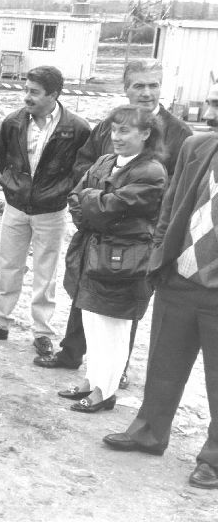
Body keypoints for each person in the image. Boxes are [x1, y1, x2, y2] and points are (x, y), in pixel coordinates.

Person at [35, 59, 192, 376]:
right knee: (85, 289)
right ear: (125, 87)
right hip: (96, 228)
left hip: (138, 235)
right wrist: (96, 205)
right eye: (139, 85)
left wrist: (139, 214)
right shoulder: (110, 125)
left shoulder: (180, 133)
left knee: (123, 302)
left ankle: (114, 370)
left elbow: (179, 187)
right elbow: (84, 166)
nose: (146, 93)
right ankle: (71, 354)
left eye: (153, 85)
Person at [103, 85, 218, 489]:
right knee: (164, 365)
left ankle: (214, 460)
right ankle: (149, 432)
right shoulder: (199, 147)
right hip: (179, 279)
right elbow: (171, 205)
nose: (214, 110)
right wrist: (160, 256)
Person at [0, 66, 91, 357]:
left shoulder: (77, 128)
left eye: (34, 92)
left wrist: (59, 192)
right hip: (15, 207)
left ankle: (42, 333)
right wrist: (14, 187)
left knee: (45, 271)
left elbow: (81, 169)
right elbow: (3, 160)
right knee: (8, 265)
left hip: (51, 211)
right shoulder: (13, 122)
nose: (27, 96)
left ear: (53, 94)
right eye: (26, 90)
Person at [59, 105, 166, 412]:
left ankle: (105, 392)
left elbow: (107, 208)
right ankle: (92, 381)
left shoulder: (151, 172)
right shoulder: (106, 161)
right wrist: (95, 204)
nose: (116, 137)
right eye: (113, 130)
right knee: (92, 321)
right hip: (93, 253)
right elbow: (75, 197)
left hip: (123, 262)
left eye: (125, 130)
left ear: (145, 134)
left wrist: (92, 202)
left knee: (114, 330)